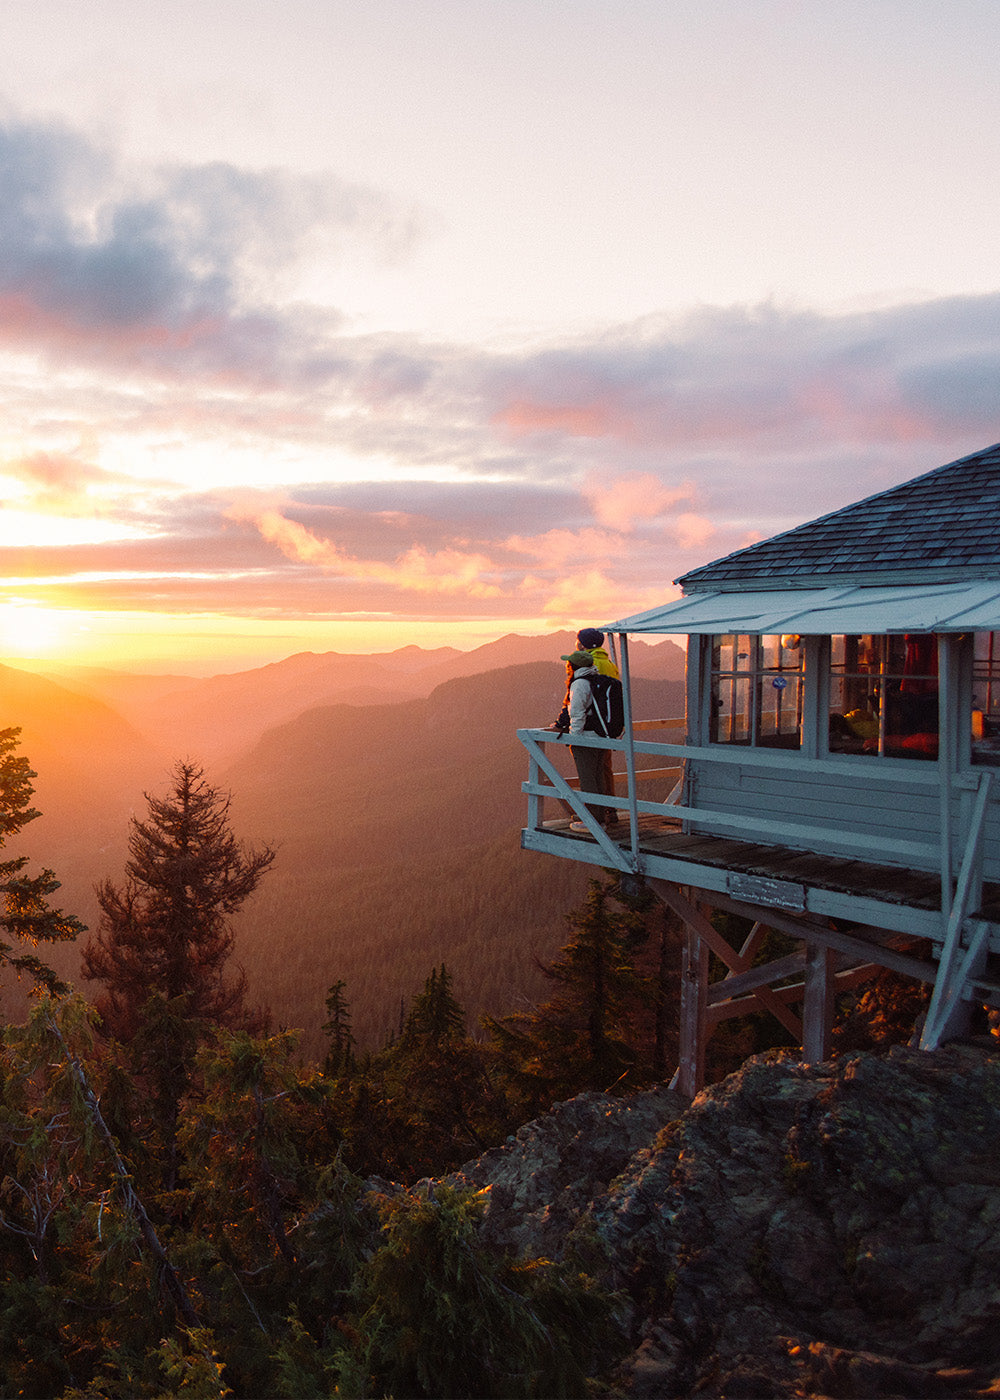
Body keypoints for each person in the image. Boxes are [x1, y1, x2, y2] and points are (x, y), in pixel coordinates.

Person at [551, 649, 618, 831]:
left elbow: (577, 714)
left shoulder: (579, 684)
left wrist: (575, 739)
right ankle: (602, 815)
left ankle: (593, 821)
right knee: (598, 776)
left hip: (586, 737)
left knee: (588, 778)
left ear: (574, 666)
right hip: (601, 736)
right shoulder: (597, 680)